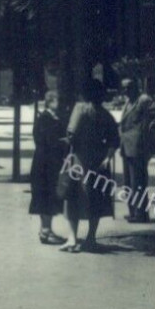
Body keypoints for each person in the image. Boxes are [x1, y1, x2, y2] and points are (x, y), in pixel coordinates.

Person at [56, 80, 119, 253]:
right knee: (96, 199)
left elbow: (72, 134)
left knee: (72, 197)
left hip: (80, 159)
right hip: (98, 161)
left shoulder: (80, 109)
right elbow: (115, 139)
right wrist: (107, 157)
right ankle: (91, 238)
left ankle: (72, 238)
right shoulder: (106, 114)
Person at [28, 91, 67, 245]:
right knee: (44, 196)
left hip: (50, 163)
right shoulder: (44, 119)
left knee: (48, 196)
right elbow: (47, 141)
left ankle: (46, 230)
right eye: (57, 100)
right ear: (49, 102)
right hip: (44, 164)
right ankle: (46, 231)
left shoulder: (53, 117)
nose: (60, 103)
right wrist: (64, 142)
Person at [119, 80, 155, 223]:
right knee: (128, 183)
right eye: (123, 88)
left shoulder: (143, 99)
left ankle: (141, 214)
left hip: (138, 148)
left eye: (128, 88)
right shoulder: (128, 101)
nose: (125, 91)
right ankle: (133, 212)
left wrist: (149, 132)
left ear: (135, 87)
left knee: (138, 183)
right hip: (126, 147)